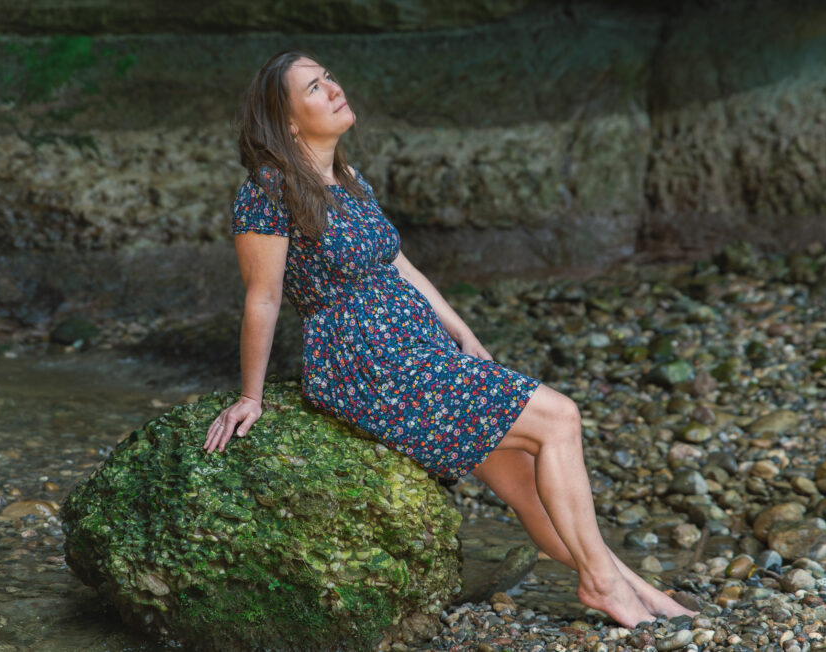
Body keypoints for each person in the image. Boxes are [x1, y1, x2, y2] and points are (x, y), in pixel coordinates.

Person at [203, 49, 696, 628]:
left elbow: (399, 264)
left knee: (525, 484)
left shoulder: (347, 177)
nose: (334, 89)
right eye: (314, 87)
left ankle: (640, 593)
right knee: (560, 418)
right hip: (366, 362)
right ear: (286, 120)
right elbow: (262, 296)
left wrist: (461, 330)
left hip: (417, 348)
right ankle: (602, 584)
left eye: (330, 77)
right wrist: (251, 396)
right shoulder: (267, 189)